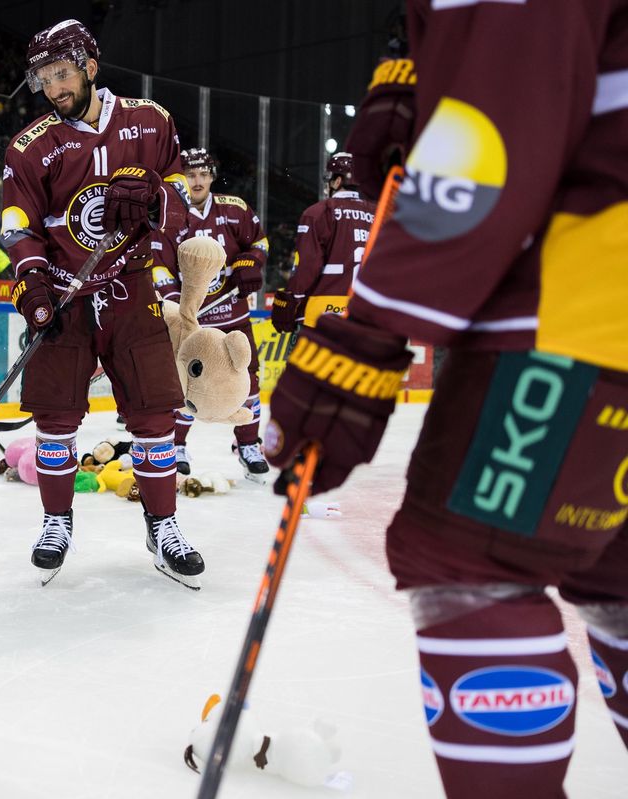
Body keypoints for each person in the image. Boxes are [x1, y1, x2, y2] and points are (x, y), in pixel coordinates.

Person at [264, 2, 628, 796]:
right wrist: (426, 67)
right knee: (617, 567)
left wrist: (373, 334)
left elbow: (493, 134)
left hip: (594, 299)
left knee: (469, 552)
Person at [1, 19, 200, 587]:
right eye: (44, 79)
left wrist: (158, 194)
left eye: (61, 74)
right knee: (55, 416)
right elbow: (17, 225)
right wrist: (32, 282)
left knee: (155, 414)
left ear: (90, 67)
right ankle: (56, 520)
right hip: (65, 292)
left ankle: (162, 525)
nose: (54, 88)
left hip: (131, 287)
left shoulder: (149, 121)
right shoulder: (30, 146)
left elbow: (182, 195)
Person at [153, 147, 269, 481]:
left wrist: (249, 265)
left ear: (212, 176)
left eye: (203, 174)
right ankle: (175, 446)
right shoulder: (170, 214)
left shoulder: (235, 209)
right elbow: (159, 266)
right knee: (182, 381)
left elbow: (259, 244)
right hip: (192, 320)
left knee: (248, 377)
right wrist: (178, 308)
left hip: (231, 315)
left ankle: (248, 445)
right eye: (190, 174)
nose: (197, 180)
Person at [270, 152, 376, 334]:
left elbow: (307, 266)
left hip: (321, 316)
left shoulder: (318, 213)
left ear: (337, 181)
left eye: (329, 179)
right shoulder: (378, 214)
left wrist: (289, 303)